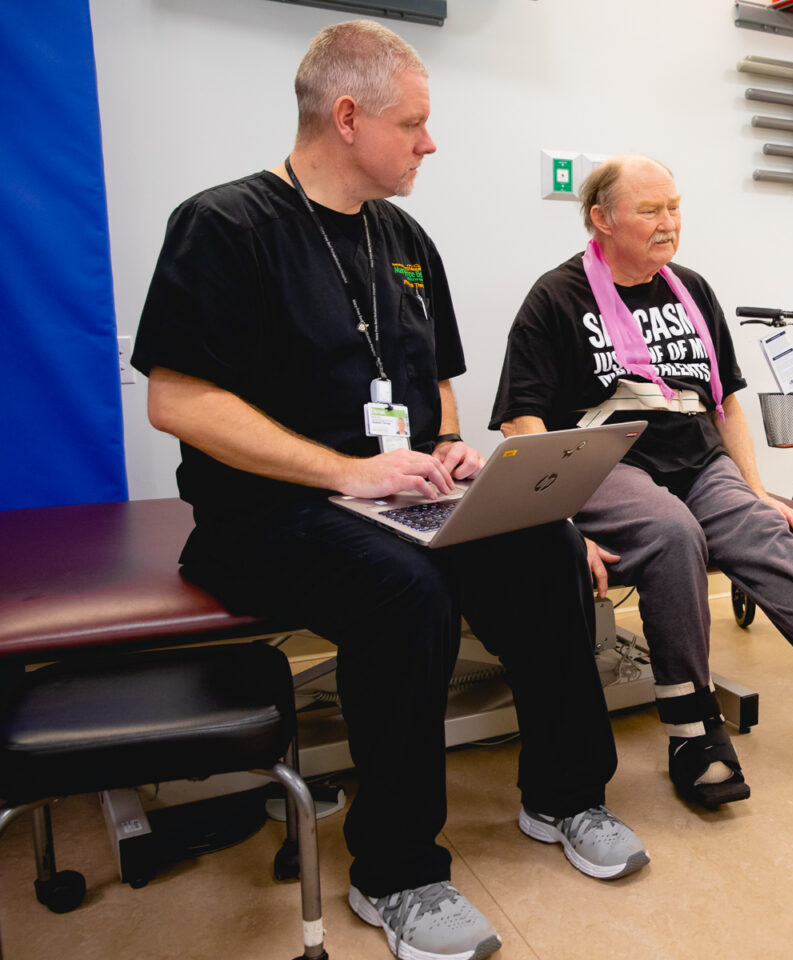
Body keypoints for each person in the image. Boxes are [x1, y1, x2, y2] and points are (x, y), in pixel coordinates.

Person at [131, 21, 647, 960]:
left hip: (401, 494)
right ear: (346, 116)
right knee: (404, 592)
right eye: (413, 122)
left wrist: (448, 446)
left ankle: (564, 795)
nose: (429, 141)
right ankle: (398, 873)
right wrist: (347, 472)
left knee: (543, 543)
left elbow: (436, 375)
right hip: (268, 514)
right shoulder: (225, 226)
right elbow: (176, 399)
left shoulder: (404, 237)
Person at [490, 155, 793, 808]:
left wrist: (757, 489)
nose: (669, 223)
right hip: (606, 464)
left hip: (698, 459)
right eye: (650, 210)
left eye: (675, 207)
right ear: (600, 219)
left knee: (759, 525)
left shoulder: (692, 289)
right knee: (672, 533)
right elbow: (521, 418)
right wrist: (559, 522)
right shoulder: (556, 296)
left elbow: (728, 406)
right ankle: (694, 731)